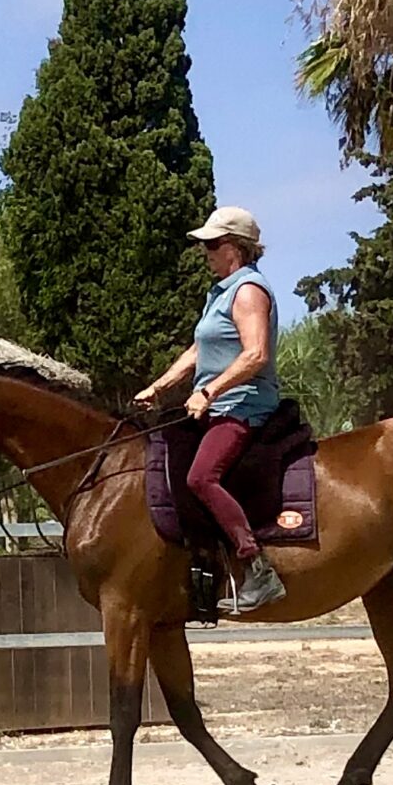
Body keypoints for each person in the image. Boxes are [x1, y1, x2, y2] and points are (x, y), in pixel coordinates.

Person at [134, 205, 286, 612]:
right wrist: (159, 387)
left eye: (212, 245)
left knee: (202, 477)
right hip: (217, 403)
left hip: (244, 404)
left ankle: (257, 568)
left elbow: (255, 354)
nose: (206, 253)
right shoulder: (220, 293)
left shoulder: (248, 291)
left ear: (235, 249)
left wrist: (210, 391)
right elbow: (200, 349)